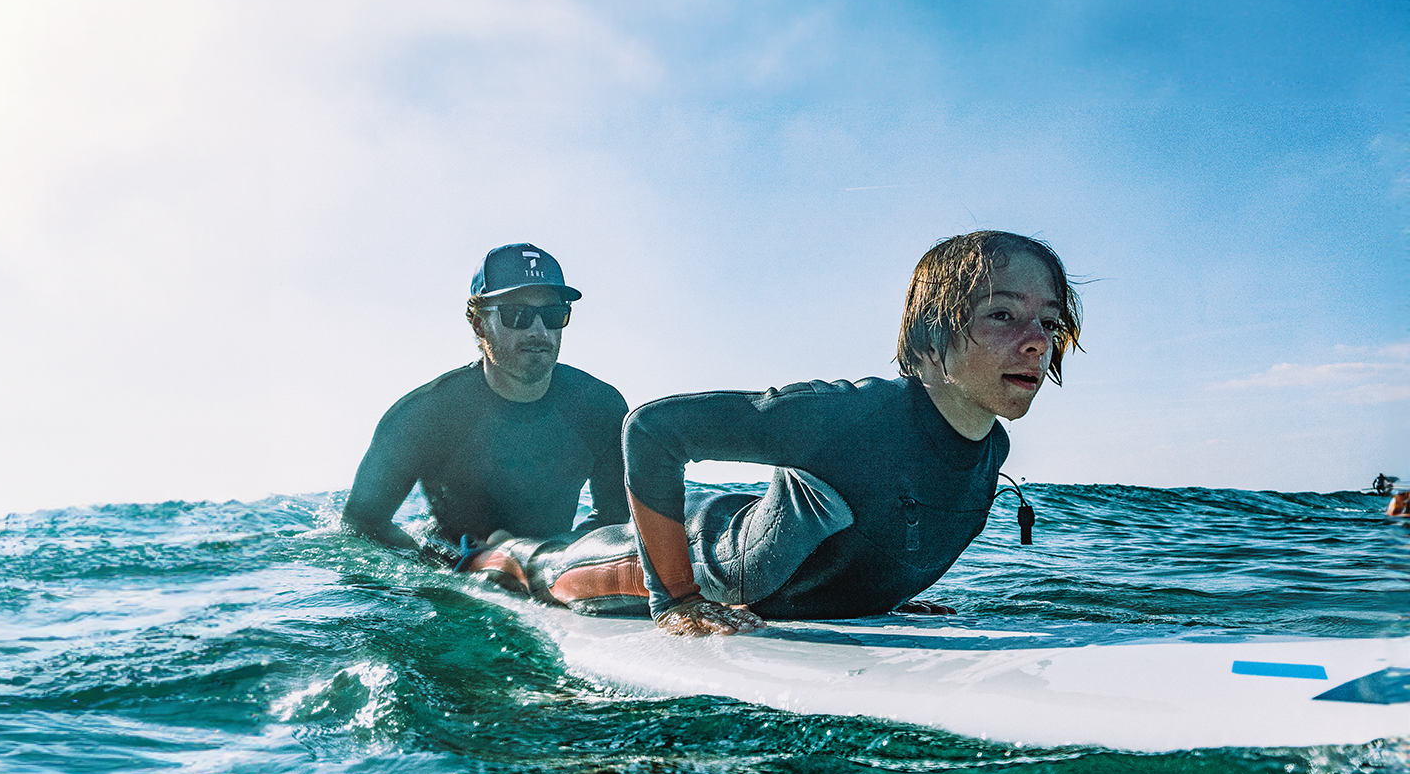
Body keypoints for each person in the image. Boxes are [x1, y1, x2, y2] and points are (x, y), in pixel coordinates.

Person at [464, 230, 1081, 631]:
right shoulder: (850, 417)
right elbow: (652, 429)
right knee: (537, 568)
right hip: (698, 562)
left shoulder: (990, 447)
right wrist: (678, 599)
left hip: (759, 537)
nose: (1035, 341)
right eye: (1001, 315)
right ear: (932, 334)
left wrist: (877, 600)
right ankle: (488, 548)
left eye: (1049, 323)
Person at [342, 243, 630, 563]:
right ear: (480, 325)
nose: (538, 330)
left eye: (553, 315)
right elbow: (360, 526)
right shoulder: (422, 416)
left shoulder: (600, 408)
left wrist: (543, 558)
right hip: (451, 576)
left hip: (550, 566)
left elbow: (616, 520)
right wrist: (440, 567)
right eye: (517, 315)